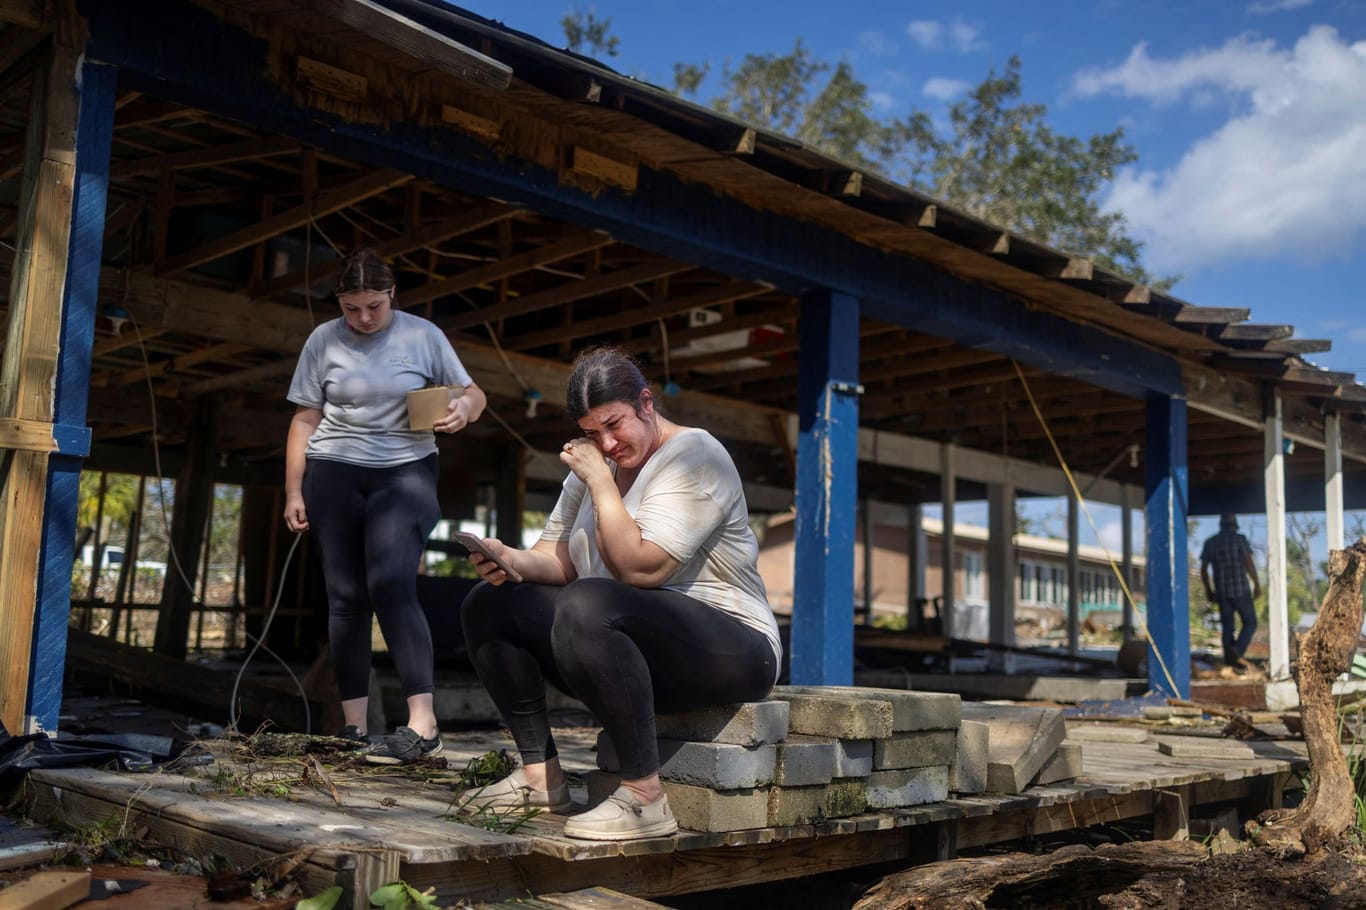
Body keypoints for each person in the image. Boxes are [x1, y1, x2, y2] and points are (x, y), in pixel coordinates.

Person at [457, 346, 780, 841]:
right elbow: (557, 559)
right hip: (631, 645)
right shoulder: (593, 469)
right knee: (492, 603)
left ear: (646, 404)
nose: (606, 444)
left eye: (615, 425)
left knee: (589, 601)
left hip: (733, 648)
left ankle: (645, 800)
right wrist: (507, 558)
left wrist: (600, 483)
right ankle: (539, 777)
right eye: (591, 433)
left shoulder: (695, 455)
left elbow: (640, 568)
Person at [283, 248, 486, 764]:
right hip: (333, 469)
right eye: (351, 308)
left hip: (406, 469)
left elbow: (473, 393)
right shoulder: (323, 340)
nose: (363, 318)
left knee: (391, 583)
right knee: (346, 596)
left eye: (373, 305)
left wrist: (462, 409)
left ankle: (423, 724)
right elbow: (305, 419)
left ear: (391, 295)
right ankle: (352, 729)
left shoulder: (423, 336)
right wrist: (293, 490)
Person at [1200, 512, 1262, 670]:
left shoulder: (1211, 542)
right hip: (1240, 589)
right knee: (1250, 622)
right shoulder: (1239, 540)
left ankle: (1230, 661)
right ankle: (1237, 651)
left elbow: (1204, 569)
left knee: (1228, 627)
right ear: (1234, 525)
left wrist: (1209, 590)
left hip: (1222, 592)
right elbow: (1248, 562)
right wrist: (1256, 583)